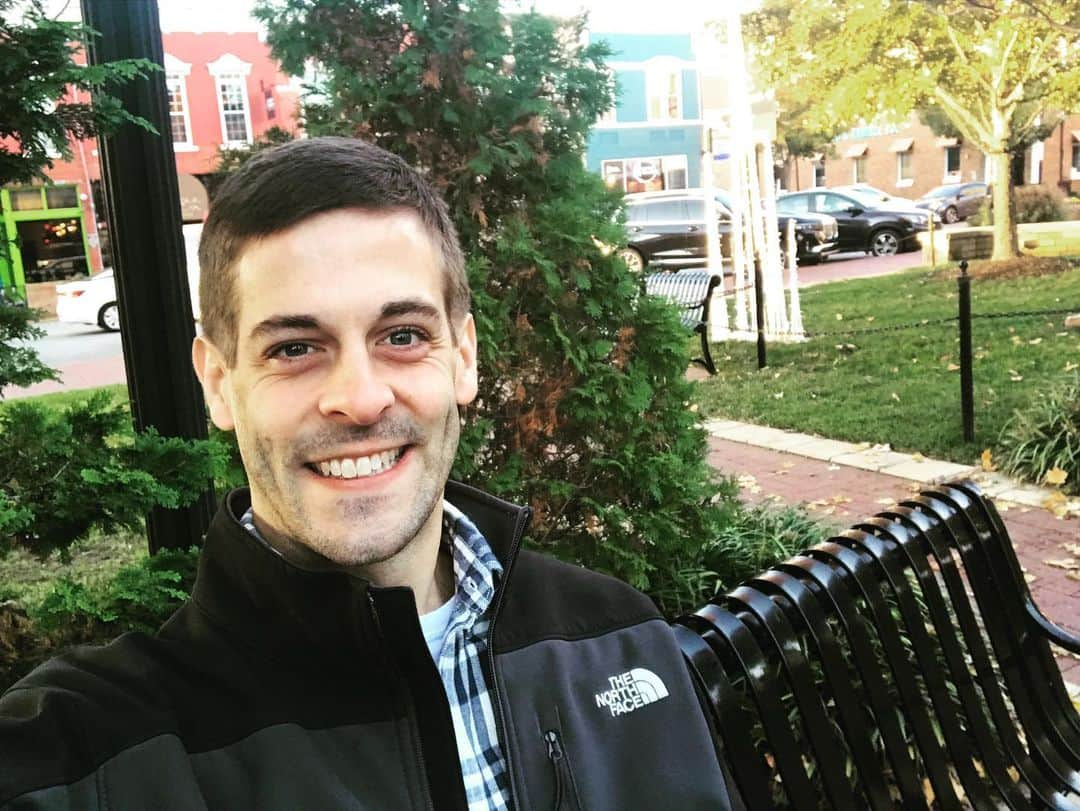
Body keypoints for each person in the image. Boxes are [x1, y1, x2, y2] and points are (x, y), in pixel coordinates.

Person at [0, 138, 730, 810]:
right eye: (293, 347)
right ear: (219, 382)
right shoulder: (94, 754)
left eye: (403, 336)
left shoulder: (619, 635)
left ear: (464, 357)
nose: (360, 396)